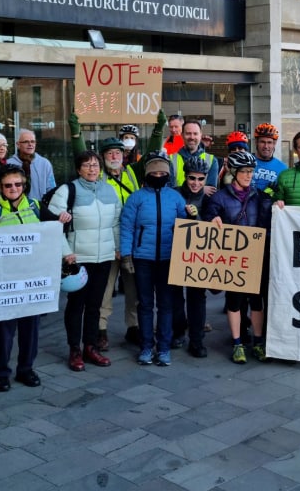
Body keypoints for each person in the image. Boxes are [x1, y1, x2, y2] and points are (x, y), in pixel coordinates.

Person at [0, 164, 61, 390]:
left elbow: (54, 230)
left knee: (29, 329)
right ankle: (1, 372)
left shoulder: (35, 207)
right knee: (3, 330)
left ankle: (26, 369)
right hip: (3, 282)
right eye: (8, 185)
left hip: (31, 280)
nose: (13, 188)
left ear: (24, 185)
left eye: (18, 184)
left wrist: (63, 221)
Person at [49, 151, 121, 372]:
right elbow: (53, 224)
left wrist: (117, 247)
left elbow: (116, 223)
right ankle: (74, 349)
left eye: (95, 165)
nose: (92, 169)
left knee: (95, 305)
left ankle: (90, 347)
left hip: (104, 257)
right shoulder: (67, 190)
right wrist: (65, 252)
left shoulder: (109, 190)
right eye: (87, 165)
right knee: (76, 305)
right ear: (78, 169)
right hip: (78, 258)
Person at [202, 151, 273, 363]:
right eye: (244, 171)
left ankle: (258, 342)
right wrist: (211, 218)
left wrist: (275, 205)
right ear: (234, 172)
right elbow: (207, 219)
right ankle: (237, 343)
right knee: (234, 301)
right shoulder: (219, 197)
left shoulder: (259, 196)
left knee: (257, 301)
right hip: (233, 259)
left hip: (255, 255)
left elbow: (266, 222)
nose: (248, 175)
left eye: (251, 171)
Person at [120, 152, 189, 366]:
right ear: (148, 174)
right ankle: (147, 346)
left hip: (168, 258)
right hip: (143, 258)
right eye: (154, 172)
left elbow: (184, 225)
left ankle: (164, 347)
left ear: (167, 175)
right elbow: (127, 227)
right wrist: (126, 255)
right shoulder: (137, 198)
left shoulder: (176, 197)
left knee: (166, 304)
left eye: (162, 172)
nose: (158, 175)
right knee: (145, 304)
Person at [90, 137, 142, 349]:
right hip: (107, 241)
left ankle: (134, 327)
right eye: (110, 153)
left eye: (118, 153)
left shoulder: (131, 173)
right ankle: (101, 330)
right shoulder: (98, 179)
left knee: (133, 288)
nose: (114, 156)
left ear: (124, 156)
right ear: (103, 157)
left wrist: (158, 127)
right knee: (105, 288)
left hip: (130, 239)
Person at [172, 157, 212, 357]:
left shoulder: (209, 199)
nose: (196, 183)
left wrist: (197, 218)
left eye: (200, 179)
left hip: (199, 257)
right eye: (192, 178)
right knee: (175, 298)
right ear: (185, 176)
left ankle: (196, 340)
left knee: (197, 298)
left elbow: (214, 223)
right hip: (175, 253)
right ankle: (178, 332)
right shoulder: (175, 194)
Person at [169, 120, 219, 195]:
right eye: (188, 133)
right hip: (177, 205)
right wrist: (201, 189)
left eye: (195, 134)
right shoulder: (171, 159)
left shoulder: (212, 160)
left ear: (200, 135)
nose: (192, 137)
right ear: (182, 135)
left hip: (202, 206)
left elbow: (210, 192)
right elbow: (169, 190)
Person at [7, 129, 55, 202]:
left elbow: (51, 189)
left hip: (40, 208)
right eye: (26, 142)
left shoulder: (45, 163)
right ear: (18, 145)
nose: (30, 144)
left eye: (33, 141)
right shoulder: (9, 164)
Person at [252, 123, 287, 194]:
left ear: (274, 144)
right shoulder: (246, 162)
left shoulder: (282, 168)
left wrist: (268, 193)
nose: (266, 146)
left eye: (269, 142)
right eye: (262, 142)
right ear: (256, 142)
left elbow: (283, 194)